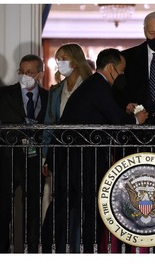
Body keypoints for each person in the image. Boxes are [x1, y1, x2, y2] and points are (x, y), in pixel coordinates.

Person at [42, 48, 148, 253]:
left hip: (73, 158)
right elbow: (116, 121)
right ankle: (85, 252)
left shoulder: (95, 85)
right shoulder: (99, 86)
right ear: (111, 68)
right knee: (84, 209)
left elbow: (105, 113)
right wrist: (137, 119)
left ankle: (55, 249)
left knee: (65, 209)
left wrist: (123, 110)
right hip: (80, 159)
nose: (123, 75)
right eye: (122, 70)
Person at [112, 10, 155, 254]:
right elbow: (115, 95)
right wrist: (124, 106)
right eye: (151, 33)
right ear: (144, 31)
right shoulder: (126, 57)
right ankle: (129, 248)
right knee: (130, 194)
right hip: (133, 138)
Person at [0, 54, 48, 253]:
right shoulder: (4, 94)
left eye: (29, 72)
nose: (25, 76)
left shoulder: (48, 96)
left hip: (35, 159)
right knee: (3, 210)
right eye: (22, 72)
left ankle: (31, 253)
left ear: (39, 74)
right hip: (7, 159)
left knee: (33, 209)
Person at [41, 43, 93, 225]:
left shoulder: (90, 87)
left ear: (76, 61)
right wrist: (46, 156)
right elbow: (50, 124)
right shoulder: (56, 90)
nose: (59, 63)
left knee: (85, 203)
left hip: (85, 152)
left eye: (64, 59)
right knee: (60, 203)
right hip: (61, 152)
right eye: (58, 59)